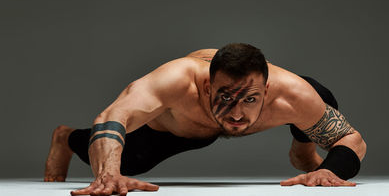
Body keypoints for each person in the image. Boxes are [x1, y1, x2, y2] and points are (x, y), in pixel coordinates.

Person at [44, 43, 366, 196]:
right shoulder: (176, 80)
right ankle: (65, 138)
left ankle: (304, 155)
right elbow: (113, 115)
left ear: (267, 90)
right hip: (179, 127)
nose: (237, 113)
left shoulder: (290, 95)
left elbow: (353, 140)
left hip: (290, 101)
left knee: (320, 97)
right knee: (129, 163)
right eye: (225, 97)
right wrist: (109, 173)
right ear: (207, 86)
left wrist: (330, 170)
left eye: (250, 99)